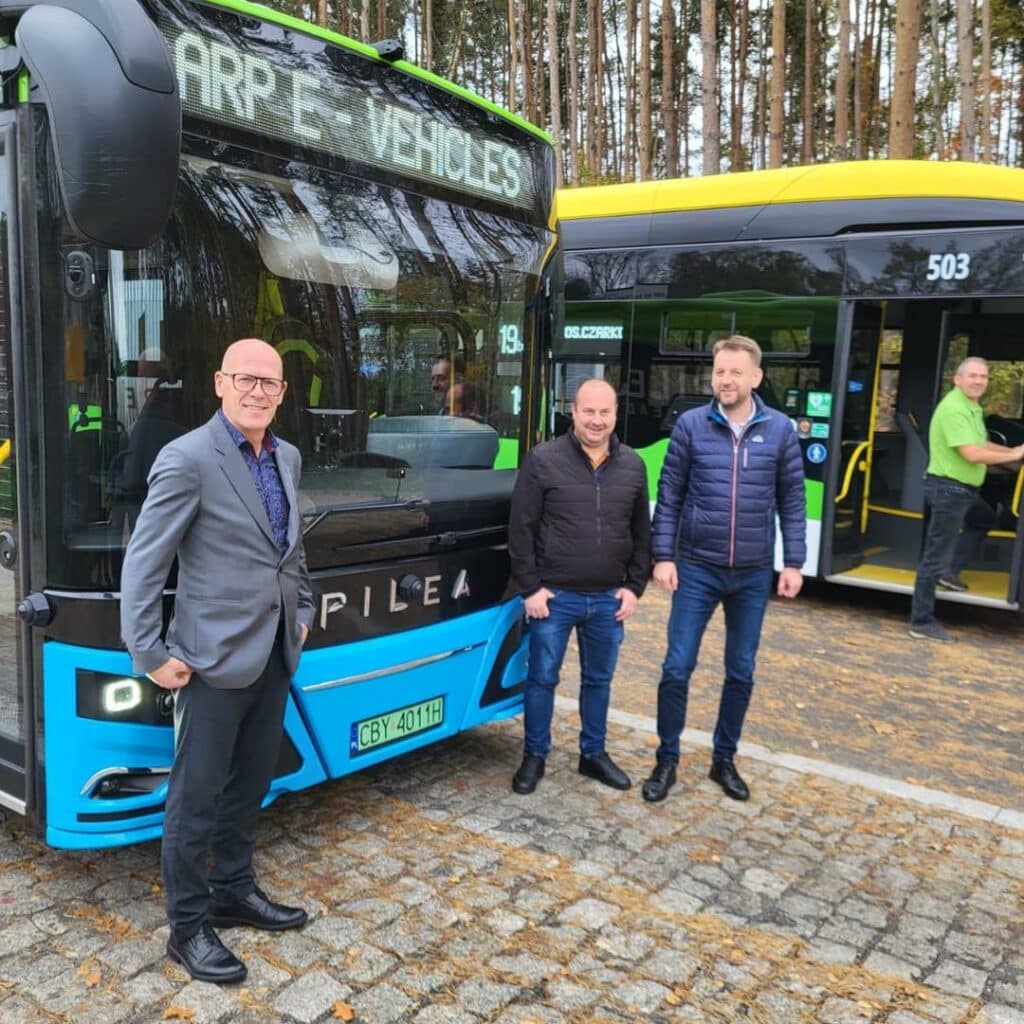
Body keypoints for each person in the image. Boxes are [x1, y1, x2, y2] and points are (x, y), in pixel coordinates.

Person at [120, 339, 316, 985]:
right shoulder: (188, 458)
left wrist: (304, 609)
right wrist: (149, 652)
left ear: (282, 392)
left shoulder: (286, 456)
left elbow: (291, 549)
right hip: (209, 661)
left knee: (250, 784)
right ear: (219, 382)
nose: (258, 391)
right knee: (195, 799)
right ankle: (187, 927)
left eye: (270, 382)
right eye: (245, 379)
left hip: (274, 653)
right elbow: (145, 561)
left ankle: (233, 891)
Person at [641, 336, 805, 805]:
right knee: (677, 666)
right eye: (719, 372)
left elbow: (792, 499)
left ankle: (724, 759)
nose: (725, 380)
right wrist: (663, 555)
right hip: (696, 568)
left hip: (753, 573)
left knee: (741, 669)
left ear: (756, 377)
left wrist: (794, 562)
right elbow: (669, 495)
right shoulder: (691, 425)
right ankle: (666, 759)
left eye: (735, 372)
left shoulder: (780, 430)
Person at [508, 378, 651, 795]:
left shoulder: (633, 465)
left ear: (616, 415)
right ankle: (535, 754)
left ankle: (593, 754)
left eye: (605, 412)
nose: (596, 420)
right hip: (554, 597)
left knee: (598, 680)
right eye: (589, 411)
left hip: (609, 599)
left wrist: (635, 587)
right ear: (573, 411)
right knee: (542, 678)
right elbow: (521, 529)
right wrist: (530, 588)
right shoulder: (543, 460)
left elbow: (642, 532)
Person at [909, 357, 1024, 642]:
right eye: (973, 376)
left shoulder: (972, 407)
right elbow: (971, 454)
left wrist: (1014, 454)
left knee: (984, 519)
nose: (979, 381)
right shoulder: (954, 409)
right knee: (933, 557)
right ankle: (921, 621)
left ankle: (948, 571)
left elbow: (981, 443)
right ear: (958, 379)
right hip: (948, 490)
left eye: (983, 377)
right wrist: (1014, 455)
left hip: (964, 491)